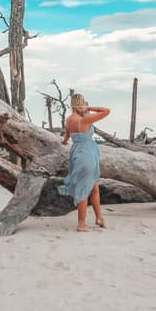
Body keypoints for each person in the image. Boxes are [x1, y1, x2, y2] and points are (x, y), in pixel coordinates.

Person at [59, 93, 111, 232]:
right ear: (81, 104)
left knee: (94, 188)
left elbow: (67, 136)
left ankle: (99, 217)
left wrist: (63, 142)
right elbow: (106, 111)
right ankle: (81, 225)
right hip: (86, 155)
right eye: (84, 104)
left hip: (78, 153)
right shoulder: (84, 119)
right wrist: (89, 108)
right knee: (84, 189)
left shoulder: (69, 119)